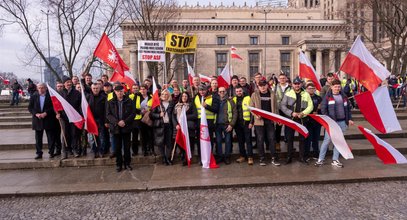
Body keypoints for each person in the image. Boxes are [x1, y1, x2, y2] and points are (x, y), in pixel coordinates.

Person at [315, 79, 354, 168]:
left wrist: (349, 119)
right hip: (331, 123)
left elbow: (348, 109)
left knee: (339, 141)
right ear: (331, 87)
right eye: (335, 87)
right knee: (327, 141)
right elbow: (323, 110)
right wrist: (329, 120)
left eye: (339, 87)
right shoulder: (327, 97)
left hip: (342, 122)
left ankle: (335, 159)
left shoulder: (344, 97)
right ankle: (320, 159)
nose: (337, 88)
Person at [280, 77, 313, 164]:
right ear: (292, 84)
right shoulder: (288, 93)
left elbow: (310, 106)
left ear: (301, 84)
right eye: (295, 84)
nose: (297, 85)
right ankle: (289, 157)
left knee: (302, 139)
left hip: (302, 119)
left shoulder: (306, 94)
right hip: (291, 119)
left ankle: (302, 157)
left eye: (298, 84)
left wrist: (303, 113)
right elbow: (282, 106)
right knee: (289, 138)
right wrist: (291, 113)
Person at [106, 85, 136, 172]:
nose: (120, 93)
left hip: (126, 127)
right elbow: (108, 114)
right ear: (115, 92)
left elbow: (133, 113)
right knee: (117, 148)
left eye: (121, 91)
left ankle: (127, 164)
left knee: (127, 147)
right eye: (118, 91)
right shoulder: (110, 102)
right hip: (115, 128)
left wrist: (125, 122)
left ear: (124, 91)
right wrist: (117, 122)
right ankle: (119, 164)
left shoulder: (129, 101)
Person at [250, 79, 280, 166]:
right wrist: (256, 115)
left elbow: (276, 108)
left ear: (267, 85)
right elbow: (251, 107)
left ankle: (274, 158)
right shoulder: (254, 94)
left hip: (270, 121)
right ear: (258, 86)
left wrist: (278, 119)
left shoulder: (272, 94)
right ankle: (262, 159)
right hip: (259, 121)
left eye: (264, 85)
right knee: (260, 140)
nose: (262, 87)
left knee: (272, 139)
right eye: (261, 86)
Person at [28, 83, 58, 159]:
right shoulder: (34, 96)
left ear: (45, 88)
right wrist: (36, 114)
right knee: (38, 138)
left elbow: (53, 107)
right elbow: (30, 107)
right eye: (39, 88)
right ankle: (39, 153)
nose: (41, 89)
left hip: (48, 119)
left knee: (50, 138)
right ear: (37, 88)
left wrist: (46, 113)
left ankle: (51, 152)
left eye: (42, 88)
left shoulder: (50, 96)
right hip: (38, 120)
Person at [57, 76, 82, 159]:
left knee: (74, 134)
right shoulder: (60, 93)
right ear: (64, 84)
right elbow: (56, 105)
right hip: (64, 117)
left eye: (69, 82)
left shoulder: (77, 93)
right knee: (65, 135)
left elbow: (80, 105)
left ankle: (74, 150)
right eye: (67, 82)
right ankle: (64, 151)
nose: (69, 83)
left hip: (74, 117)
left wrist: (80, 114)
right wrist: (57, 113)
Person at [194, 84, 219, 163]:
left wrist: (207, 106)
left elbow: (216, 109)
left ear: (207, 90)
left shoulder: (212, 97)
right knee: (199, 141)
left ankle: (209, 156)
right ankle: (201, 157)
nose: (202, 92)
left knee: (209, 140)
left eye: (203, 90)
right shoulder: (196, 97)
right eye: (200, 90)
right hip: (199, 122)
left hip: (209, 122)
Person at [172, 92, 198, 165]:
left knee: (189, 143)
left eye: (186, 96)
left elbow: (195, 115)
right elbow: (173, 116)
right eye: (183, 96)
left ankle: (188, 158)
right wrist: (176, 124)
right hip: (179, 128)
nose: (184, 97)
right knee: (181, 143)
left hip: (189, 128)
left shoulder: (191, 105)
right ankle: (183, 157)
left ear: (188, 97)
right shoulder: (177, 105)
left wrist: (184, 118)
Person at [151, 90, 174, 165]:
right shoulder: (157, 104)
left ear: (169, 95)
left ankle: (168, 158)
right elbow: (151, 114)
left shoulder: (171, 103)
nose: (164, 95)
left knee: (169, 143)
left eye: (166, 94)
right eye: (163, 94)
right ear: (161, 95)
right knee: (160, 143)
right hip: (160, 125)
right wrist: (158, 115)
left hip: (169, 125)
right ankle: (163, 158)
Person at [215, 86, 237, 164]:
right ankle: (220, 157)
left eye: (223, 91)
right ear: (218, 92)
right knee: (218, 141)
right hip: (217, 125)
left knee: (228, 141)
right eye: (220, 91)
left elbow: (235, 113)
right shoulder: (216, 101)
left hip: (227, 124)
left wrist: (231, 125)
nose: (222, 93)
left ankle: (227, 157)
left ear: (226, 92)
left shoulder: (230, 101)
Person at [233, 86, 254, 165]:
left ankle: (250, 157)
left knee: (248, 140)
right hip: (237, 124)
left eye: (240, 91)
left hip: (246, 123)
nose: (239, 92)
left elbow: (252, 111)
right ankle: (242, 156)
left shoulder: (248, 98)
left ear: (242, 91)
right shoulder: (234, 99)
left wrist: (251, 122)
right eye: (237, 91)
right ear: (235, 92)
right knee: (240, 141)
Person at [87, 83, 107, 158]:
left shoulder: (103, 97)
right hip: (91, 120)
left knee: (101, 137)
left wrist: (106, 121)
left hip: (101, 120)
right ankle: (94, 151)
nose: (95, 90)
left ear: (99, 89)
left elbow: (106, 110)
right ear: (91, 89)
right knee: (92, 138)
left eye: (97, 88)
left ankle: (101, 151)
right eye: (94, 88)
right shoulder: (88, 97)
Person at [304, 83, 322, 161]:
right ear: (306, 89)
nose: (311, 90)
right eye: (309, 88)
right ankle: (306, 155)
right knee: (308, 139)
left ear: (315, 89)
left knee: (316, 138)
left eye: (313, 88)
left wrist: (319, 111)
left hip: (316, 122)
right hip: (307, 121)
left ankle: (315, 154)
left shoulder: (318, 98)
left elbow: (323, 110)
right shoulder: (303, 97)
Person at [274, 73, 291, 152]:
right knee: (278, 127)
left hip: (287, 109)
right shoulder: (275, 87)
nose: (282, 80)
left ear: (286, 79)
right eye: (281, 78)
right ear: (278, 79)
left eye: (283, 78)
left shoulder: (290, 88)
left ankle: (288, 142)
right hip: (279, 109)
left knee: (288, 127)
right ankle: (277, 143)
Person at [139, 84, 154, 156]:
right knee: (142, 135)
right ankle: (144, 150)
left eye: (144, 89)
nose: (142, 90)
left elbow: (154, 106)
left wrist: (150, 110)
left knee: (150, 134)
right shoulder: (137, 97)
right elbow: (133, 107)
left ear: (147, 90)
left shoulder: (151, 97)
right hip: (140, 119)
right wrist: (140, 111)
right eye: (141, 89)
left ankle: (151, 149)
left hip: (149, 118)